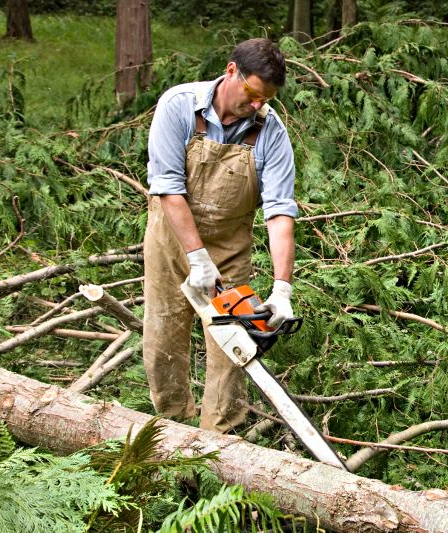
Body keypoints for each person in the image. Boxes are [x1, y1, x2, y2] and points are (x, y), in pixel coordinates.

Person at [142, 38, 297, 433]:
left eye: (266, 99)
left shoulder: (270, 132)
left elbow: (280, 212)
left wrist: (282, 288)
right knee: (163, 345)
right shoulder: (178, 106)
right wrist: (196, 258)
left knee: (232, 355)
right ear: (231, 71)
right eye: (253, 94)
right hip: (170, 246)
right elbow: (169, 190)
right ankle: (170, 432)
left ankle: (219, 451)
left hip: (228, 252)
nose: (258, 105)